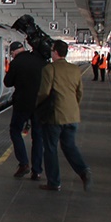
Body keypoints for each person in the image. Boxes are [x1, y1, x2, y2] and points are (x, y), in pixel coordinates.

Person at [36, 39, 90, 192]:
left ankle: (54, 182)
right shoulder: (75, 70)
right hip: (72, 115)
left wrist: (37, 105)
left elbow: (44, 92)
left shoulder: (49, 69)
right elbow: (79, 93)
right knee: (69, 146)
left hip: (54, 115)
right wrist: (72, 106)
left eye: (52, 50)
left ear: (55, 52)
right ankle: (84, 171)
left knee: (51, 148)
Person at [3, 41, 46, 180]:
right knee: (38, 136)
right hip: (39, 104)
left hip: (22, 104)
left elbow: (8, 82)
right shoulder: (40, 60)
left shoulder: (16, 63)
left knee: (15, 131)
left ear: (13, 52)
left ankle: (23, 163)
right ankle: (37, 170)